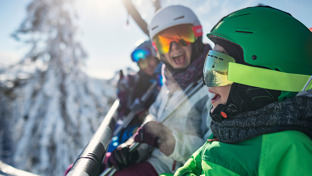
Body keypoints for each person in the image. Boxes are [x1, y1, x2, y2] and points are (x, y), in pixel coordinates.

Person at [174, 5, 312, 176]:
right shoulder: (231, 130)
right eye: (209, 66)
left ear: (261, 80)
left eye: (219, 68)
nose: (209, 87)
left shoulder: (288, 150)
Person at [104, 4, 213, 176]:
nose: (175, 47)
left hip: (173, 168)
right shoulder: (170, 81)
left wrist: (167, 140)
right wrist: (139, 143)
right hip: (150, 156)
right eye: (165, 43)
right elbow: (154, 113)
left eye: (182, 36)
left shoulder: (212, 87)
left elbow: (212, 151)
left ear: (196, 36)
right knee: (92, 166)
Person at [107, 40, 163, 152]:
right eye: (142, 63)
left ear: (156, 57)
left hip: (146, 133)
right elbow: (125, 106)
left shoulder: (164, 77)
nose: (147, 66)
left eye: (149, 61)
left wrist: (145, 113)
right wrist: (123, 90)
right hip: (128, 127)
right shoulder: (138, 81)